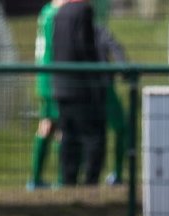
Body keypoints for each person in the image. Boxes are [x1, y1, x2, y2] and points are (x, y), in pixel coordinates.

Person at [52, 0, 106, 186]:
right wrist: (96, 80)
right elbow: (86, 48)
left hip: (61, 85)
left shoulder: (60, 12)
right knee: (94, 136)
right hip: (81, 87)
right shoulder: (83, 10)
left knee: (69, 137)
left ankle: (68, 180)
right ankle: (91, 182)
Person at [28, 0, 65, 190]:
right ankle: (61, 179)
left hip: (45, 79)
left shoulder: (47, 11)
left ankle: (37, 179)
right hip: (53, 79)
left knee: (49, 124)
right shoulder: (55, 15)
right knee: (57, 127)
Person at [96, 23, 130, 186]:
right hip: (98, 86)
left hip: (92, 87)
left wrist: (123, 68)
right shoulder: (98, 30)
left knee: (120, 128)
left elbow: (116, 50)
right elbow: (116, 50)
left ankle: (116, 172)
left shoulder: (99, 30)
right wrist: (124, 70)